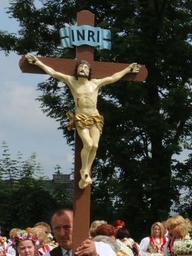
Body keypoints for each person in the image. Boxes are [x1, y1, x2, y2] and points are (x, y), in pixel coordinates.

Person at [24, 54, 140, 189]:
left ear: (90, 71)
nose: (83, 69)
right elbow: (54, 73)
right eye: (80, 67)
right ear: (76, 70)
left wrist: (128, 69)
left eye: (85, 67)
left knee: (95, 146)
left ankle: (86, 172)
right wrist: (38, 62)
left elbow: (113, 77)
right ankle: (83, 171)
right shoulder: (72, 81)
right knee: (88, 144)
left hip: (95, 118)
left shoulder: (95, 83)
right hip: (81, 118)